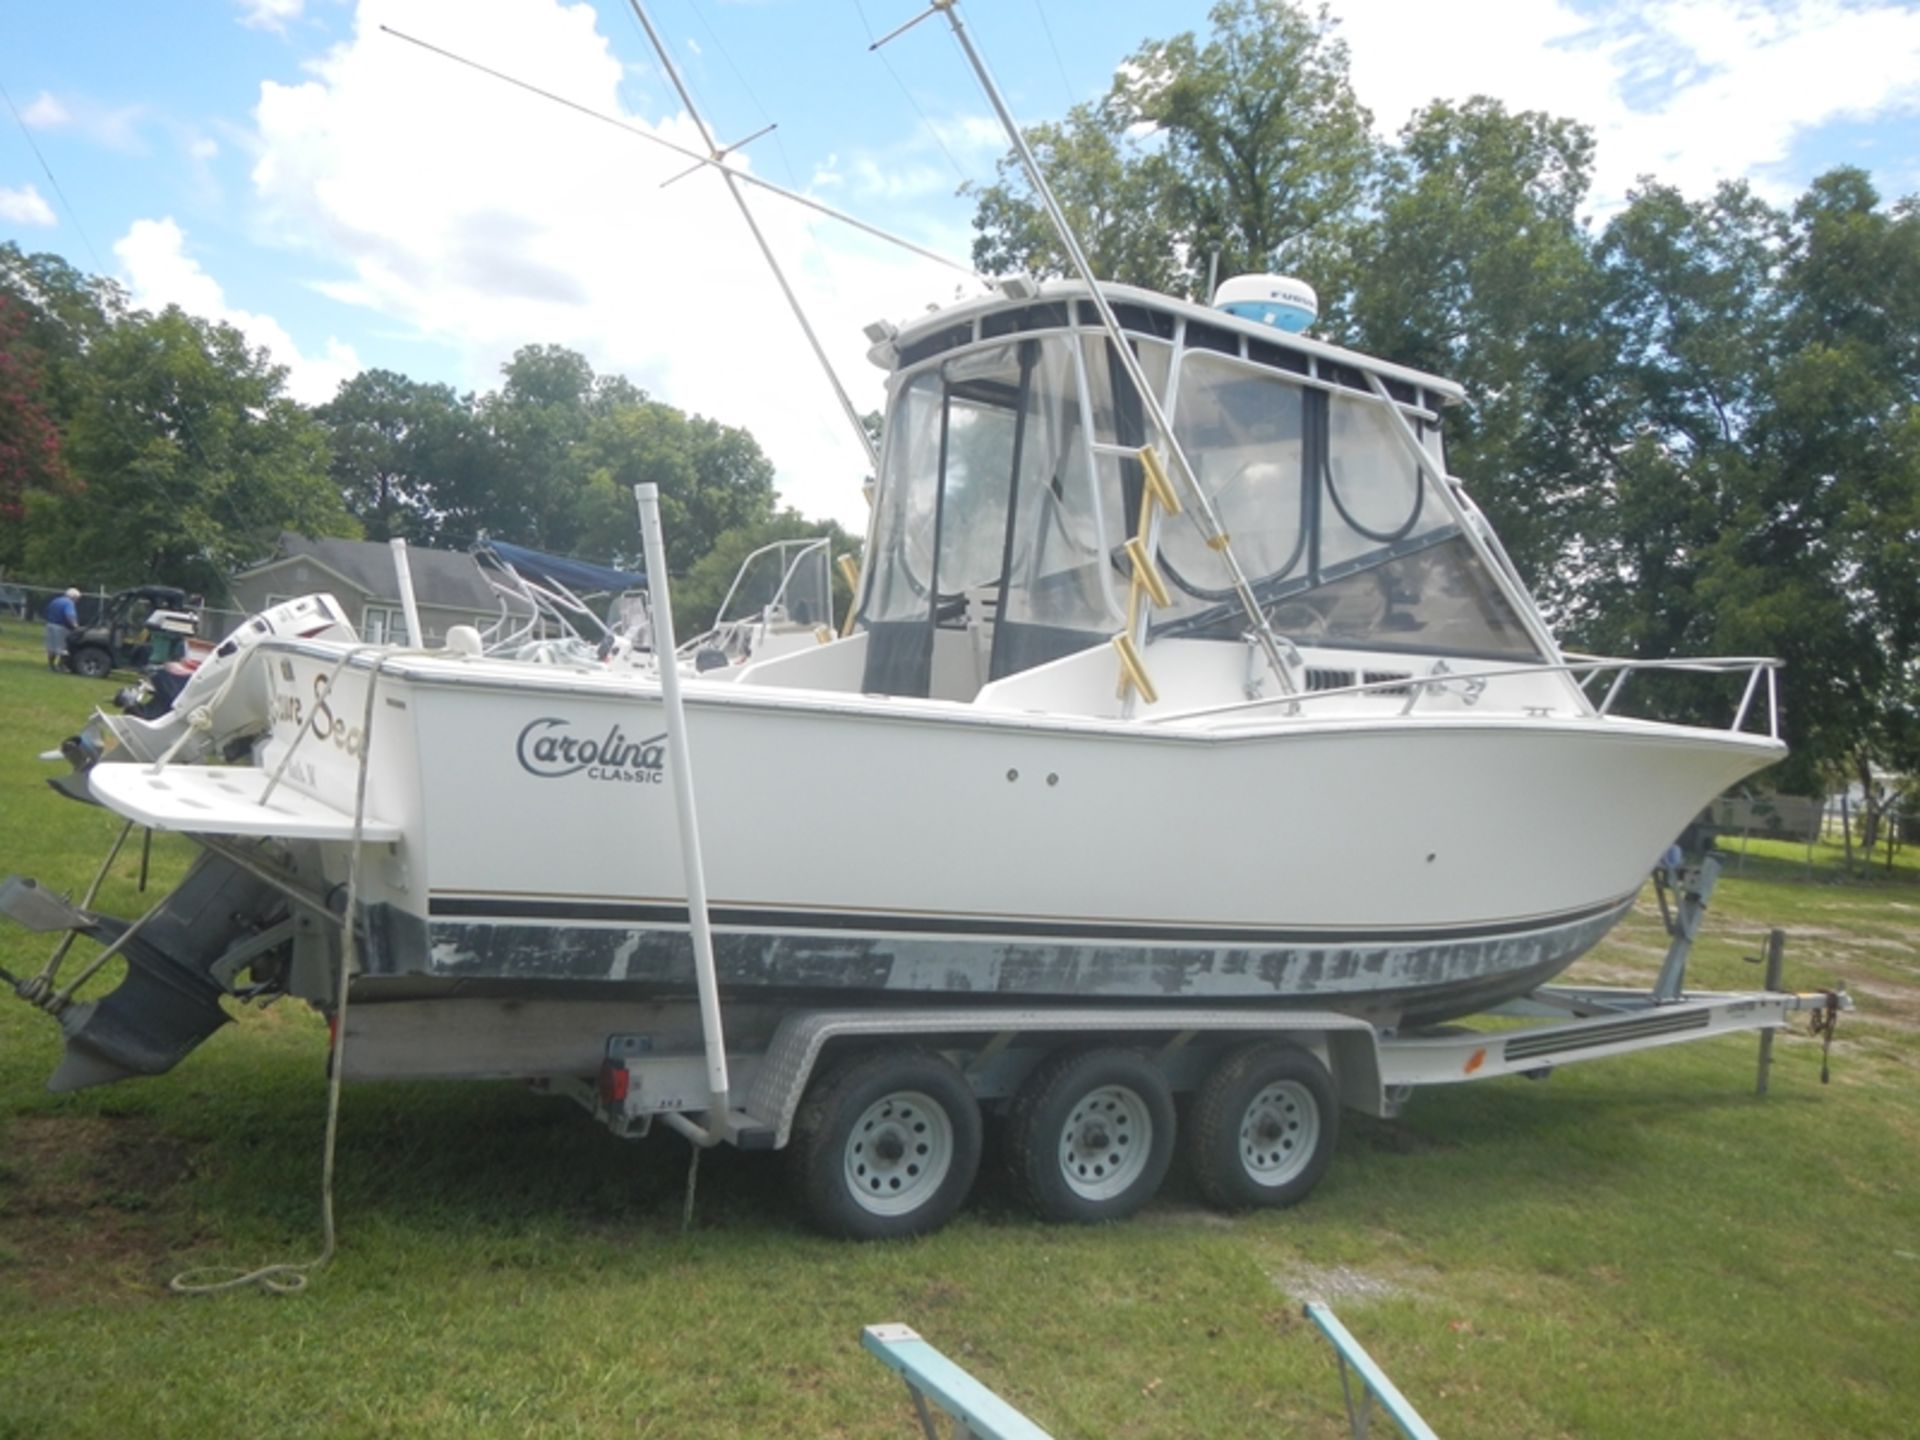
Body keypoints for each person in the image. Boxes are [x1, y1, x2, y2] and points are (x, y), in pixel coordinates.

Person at [43, 587, 80, 672]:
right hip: (61, 627)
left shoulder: (56, 600)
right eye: (77, 599)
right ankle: (61, 666)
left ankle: (50, 666)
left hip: (50, 625)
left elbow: (46, 611)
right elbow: (69, 615)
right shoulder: (69, 603)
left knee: (51, 647)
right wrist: (75, 626)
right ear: (73, 597)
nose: (77, 601)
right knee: (64, 648)